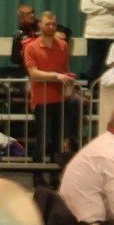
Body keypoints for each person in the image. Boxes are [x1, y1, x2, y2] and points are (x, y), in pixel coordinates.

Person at [22, 13, 79, 162]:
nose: (51, 27)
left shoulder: (63, 46)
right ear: (40, 25)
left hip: (60, 97)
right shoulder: (31, 47)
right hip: (41, 98)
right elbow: (33, 73)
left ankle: (55, 171)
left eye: (54, 24)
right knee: (43, 138)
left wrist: (69, 81)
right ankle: (38, 172)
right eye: (48, 24)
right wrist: (56, 76)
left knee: (58, 138)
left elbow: (65, 67)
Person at [8, 5, 40, 70]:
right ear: (21, 18)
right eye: (28, 14)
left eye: (33, 12)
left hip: (44, 64)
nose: (32, 15)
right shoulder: (19, 34)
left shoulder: (43, 28)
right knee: (1, 73)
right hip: (26, 67)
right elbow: (15, 59)